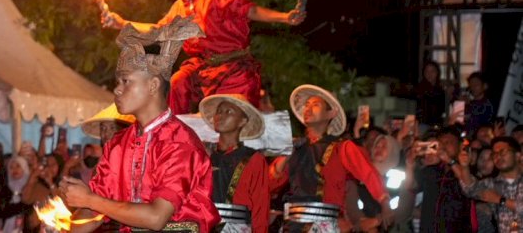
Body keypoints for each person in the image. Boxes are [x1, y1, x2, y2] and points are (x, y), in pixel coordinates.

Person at [102, 0, 303, 114]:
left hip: (232, 70)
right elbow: (157, 31)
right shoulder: (179, 7)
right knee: (179, 81)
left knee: (232, 117)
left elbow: (252, 11)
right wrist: (121, 23)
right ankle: (173, 131)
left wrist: (285, 17)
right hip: (201, 69)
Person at [59, 17, 220, 232]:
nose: (117, 89)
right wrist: (61, 224)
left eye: (126, 81)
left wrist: (89, 200)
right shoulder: (118, 144)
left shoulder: (180, 143)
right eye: (117, 82)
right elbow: (95, 211)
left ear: (153, 85)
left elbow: (156, 218)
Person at [271, 84, 393, 232]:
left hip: (325, 226)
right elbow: (270, 183)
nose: (308, 108)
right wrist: (286, 155)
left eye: (315, 105)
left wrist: (385, 202)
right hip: (293, 225)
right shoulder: (295, 147)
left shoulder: (342, 148)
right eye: (307, 105)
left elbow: (369, 173)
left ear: (331, 113)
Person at [198, 93, 269, 233]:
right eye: (219, 112)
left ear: (242, 121)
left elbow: (261, 209)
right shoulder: (203, 156)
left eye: (228, 112)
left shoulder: (253, 159)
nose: (221, 116)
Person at [458, 136, 523, 233]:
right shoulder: (491, 183)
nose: (498, 156)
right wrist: (464, 167)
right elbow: (470, 189)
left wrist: (501, 200)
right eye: (494, 154)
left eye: (502, 152)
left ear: (517, 156)